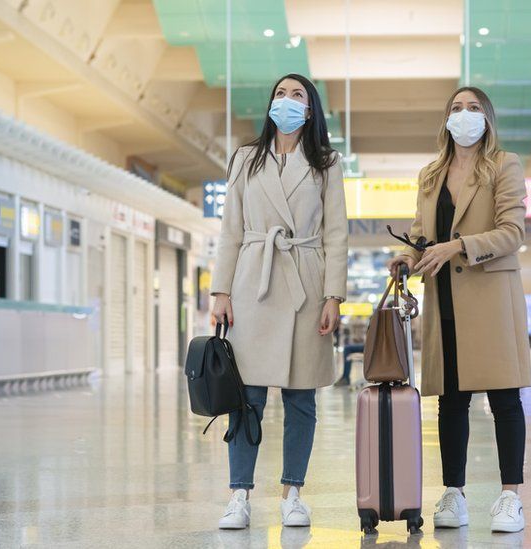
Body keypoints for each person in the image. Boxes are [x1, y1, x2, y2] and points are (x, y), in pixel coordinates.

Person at [387, 86, 531, 534]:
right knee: (451, 402)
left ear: (487, 118)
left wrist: (459, 246)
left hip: (491, 297)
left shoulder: (503, 165)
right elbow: (420, 234)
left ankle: (511, 497)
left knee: (504, 399)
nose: (463, 115)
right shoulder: (431, 174)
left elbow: (512, 232)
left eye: (473, 108)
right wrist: (407, 259)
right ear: (445, 118)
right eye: (455, 108)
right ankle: (454, 493)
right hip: (444, 297)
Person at [210, 73, 348, 530]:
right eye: (280, 94)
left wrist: (334, 295)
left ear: (310, 111)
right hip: (254, 279)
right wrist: (221, 291)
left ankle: (292, 493)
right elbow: (230, 229)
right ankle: (238, 494)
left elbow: (336, 233)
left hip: (305, 282)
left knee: (300, 397)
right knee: (245, 396)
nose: (286, 102)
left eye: (297, 96)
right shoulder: (246, 159)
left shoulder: (326, 162)